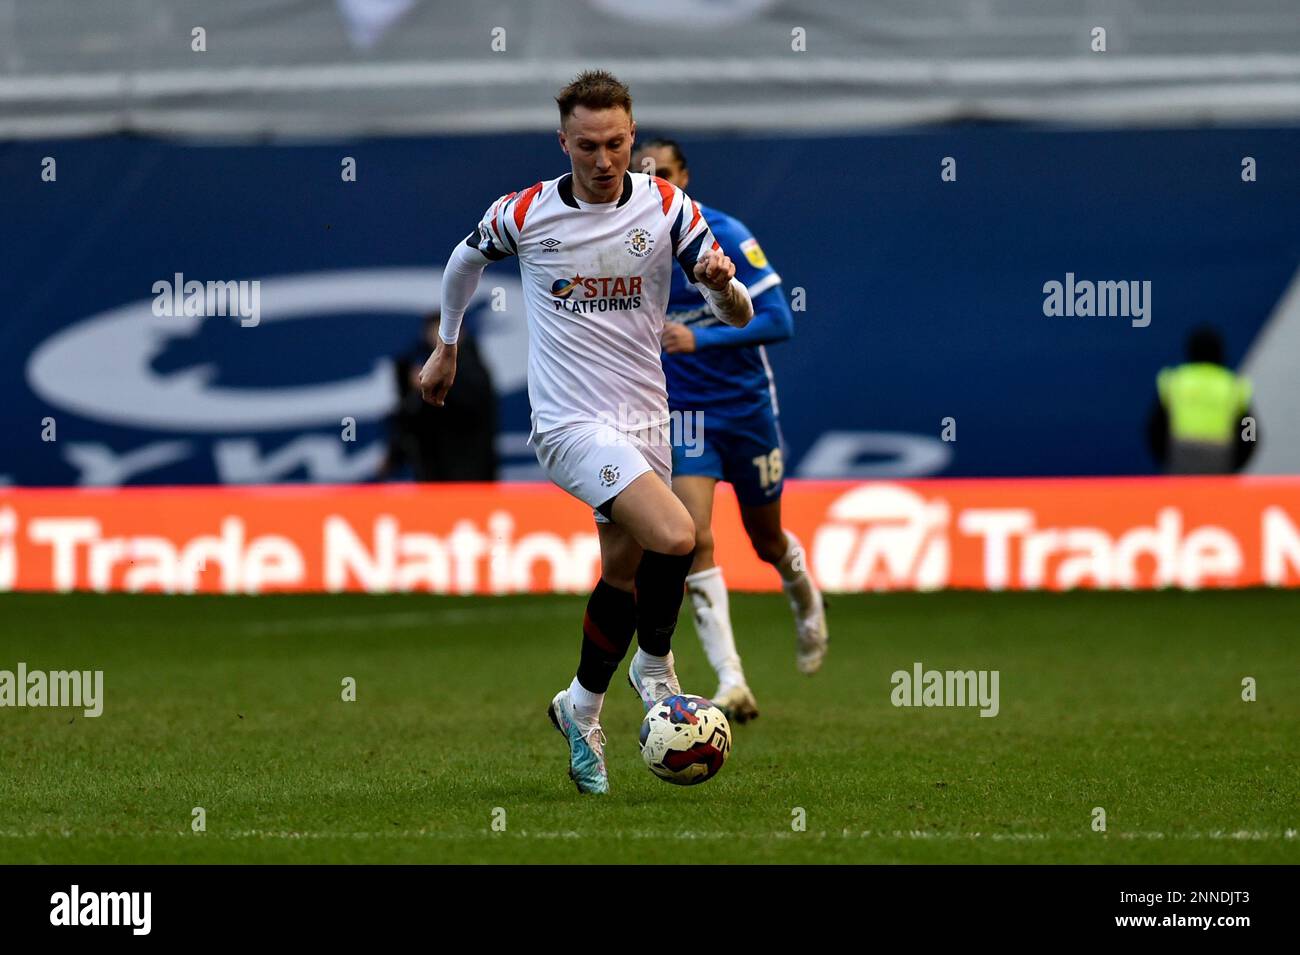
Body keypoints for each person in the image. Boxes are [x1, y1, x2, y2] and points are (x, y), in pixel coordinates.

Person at [418, 71, 753, 794]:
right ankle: (656, 667)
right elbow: (464, 259)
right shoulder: (529, 210)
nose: (603, 161)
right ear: (563, 141)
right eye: (588, 146)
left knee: (624, 575)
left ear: (632, 140)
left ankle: (581, 706)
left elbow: (739, 317)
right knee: (678, 535)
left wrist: (723, 285)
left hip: (644, 422)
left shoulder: (665, 205)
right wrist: (446, 345)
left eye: (616, 145)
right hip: (570, 424)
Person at [633, 137, 827, 725]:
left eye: (663, 173)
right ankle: (731, 679)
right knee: (692, 536)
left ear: (684, 176)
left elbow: (779, 320)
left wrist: (702, 337)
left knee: (767, 541)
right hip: (687, 415)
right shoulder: (628, 245)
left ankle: (804, 600)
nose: (654, 183)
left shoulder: (723, 233)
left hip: (746, 410)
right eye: (644, 176)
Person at [379, 311, 497, 481]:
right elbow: (411, 418)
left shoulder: (473, 367)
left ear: (459, 332)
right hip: (432, 473)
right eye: (434, 331)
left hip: (471, 473)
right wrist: (394, 455)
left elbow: (472, 406)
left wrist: (435, 382)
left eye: (444, 331)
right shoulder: (419, 362)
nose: (439, 338)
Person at [1147, 326, 1256, 474]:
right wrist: (1235, 462)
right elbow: (1249, 430)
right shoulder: (1232, 386)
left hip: (1182, 455)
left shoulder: (1175, 382)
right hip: (1221, 457)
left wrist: (1168, 458)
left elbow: (1155, 428)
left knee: (1183, 498)